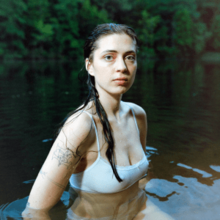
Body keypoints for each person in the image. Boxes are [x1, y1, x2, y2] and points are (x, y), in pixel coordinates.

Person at [22, 23, 173, 220]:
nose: (122, 67)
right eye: (109, 57)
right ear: (90, 66)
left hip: (140, 209)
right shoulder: (80, 126)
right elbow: (34, 212)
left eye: (130, 57)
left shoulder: (137, 115)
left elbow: (143, 176)